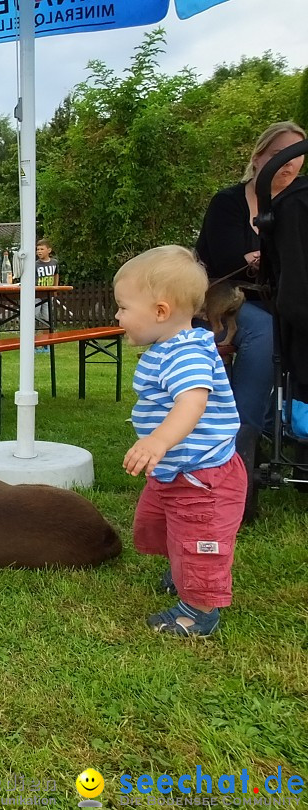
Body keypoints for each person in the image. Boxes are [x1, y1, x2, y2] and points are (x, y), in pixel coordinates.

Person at [115, 246, 245, 637]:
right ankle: (181, 569)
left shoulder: (186, 353)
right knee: (162, 523)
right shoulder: (169, 347)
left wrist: (157, 441)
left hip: (202, 477)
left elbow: (192, 402)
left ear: (159, 311)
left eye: (123, 307)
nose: (118, 316)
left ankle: (199, 611)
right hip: (178, 470)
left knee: (199, 534)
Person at [195, 121, 306, 513]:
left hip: (286, 298)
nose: (288, 164)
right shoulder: (228, 202)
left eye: (296, 155)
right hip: (228, 299)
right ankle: (241, 444)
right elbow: (222, 259)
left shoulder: (299, 204)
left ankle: (294, 434)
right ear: (258, 157)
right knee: (266, 336)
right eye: (279, 154)